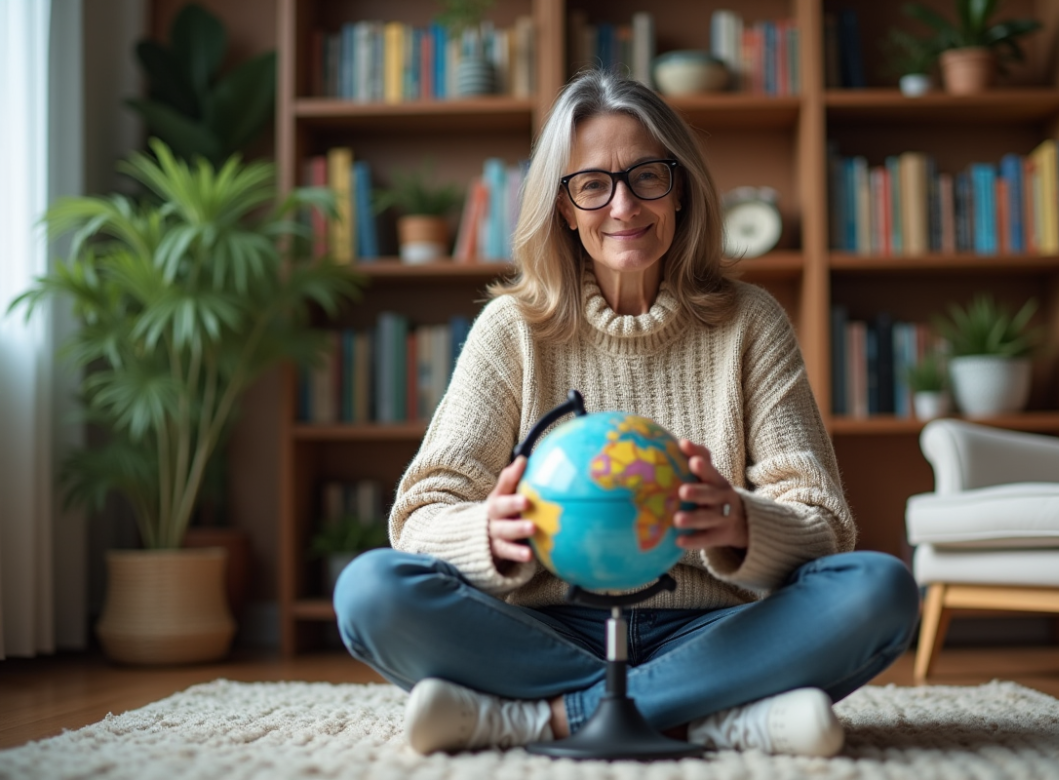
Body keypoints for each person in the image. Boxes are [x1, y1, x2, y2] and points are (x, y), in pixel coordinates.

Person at [333, 70, 920, 757]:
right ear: (563, 208)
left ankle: (539, 719)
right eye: (592, 184)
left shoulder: (751, 323)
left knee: (880, 590)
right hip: (544, 629)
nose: (622, 206)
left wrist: (739, 523)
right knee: (370, 590)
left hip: (715, 629)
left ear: (681, 189)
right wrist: (485, 533)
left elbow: (824, 519)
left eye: (647, 176)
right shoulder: (511, 329)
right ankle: (712, 716)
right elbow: (419, 515)